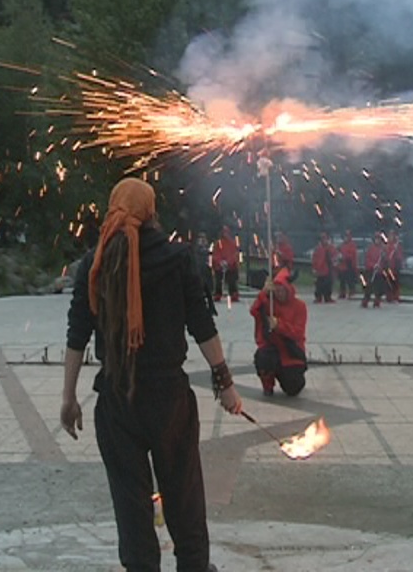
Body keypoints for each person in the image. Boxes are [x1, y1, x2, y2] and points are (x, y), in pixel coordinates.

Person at [61, 178, 242, 572]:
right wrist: (224, 383)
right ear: (150, 212)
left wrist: (68, 397)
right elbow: (202, 324)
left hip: (116, 400)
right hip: (169, 401)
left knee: (131, 504)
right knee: (184, 496)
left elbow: (77, 333)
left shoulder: (95, 262)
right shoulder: (177, 258)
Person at [249, 267, 307, 397]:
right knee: (263, 358)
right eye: (277, 290)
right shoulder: (269, 303)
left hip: (290, 352)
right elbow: (254, 311)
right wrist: (263, 293)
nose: (279, 293)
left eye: (282, 290)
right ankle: (268, 384)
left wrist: (279, 325)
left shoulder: (300, 306)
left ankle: (289, 377)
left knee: (293, 387)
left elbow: (297, 332)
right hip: (271, 348)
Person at [211, 225, 240, 302]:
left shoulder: (232, 243)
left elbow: (234, 255)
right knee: (218, 280)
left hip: (230, 266)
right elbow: (216, 254)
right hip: (220, 266)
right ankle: (218, 293)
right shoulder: (218, 243)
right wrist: (220, 262)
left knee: (232, 279)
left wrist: (228, 262)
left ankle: (233, 293)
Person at [361, 232, 387, 308]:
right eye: (376, 239)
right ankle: (365, 301)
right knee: (368, 287)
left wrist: (383, 258)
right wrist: (373, 265)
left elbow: (385, 261)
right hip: (371, 271)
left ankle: (377, 301)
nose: (377, 240)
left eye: (379, 239)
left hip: (379, 272)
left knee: (379, 288)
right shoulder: (371, 249)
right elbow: (367, 260)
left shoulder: (383, 249)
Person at [310, 231, 337, 303]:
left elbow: (334, 257)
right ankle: (318, 297)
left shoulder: (331, 248)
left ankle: (327, 297)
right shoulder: (318, 249)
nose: (323, 240)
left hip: (328, 270)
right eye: (322, 238)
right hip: (320, 270)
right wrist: (314, 268)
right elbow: (314, 258)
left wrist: (334, 264)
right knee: (319, 285)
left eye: (324, 238)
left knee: (328, 284)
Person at [337, 230, 359, 299]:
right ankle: (342, 292)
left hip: (349, 265)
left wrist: (344, 257)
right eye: (345, 236)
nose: (346, 238)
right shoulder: (342, 245)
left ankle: (351, 292)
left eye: (347, 236)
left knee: (350, 280)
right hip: (342, 266)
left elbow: (352, 255)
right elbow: (339, 252)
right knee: (342, 281)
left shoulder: (352, 245)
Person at [385, 230, 404, 303]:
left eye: (392, 235)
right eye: (390, 235)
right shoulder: (387, 245)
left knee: (395, 283)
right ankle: (389, 296)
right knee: (388, 283)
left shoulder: (397, 246)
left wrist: (396, 252)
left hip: (395, 268)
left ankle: (396, 297)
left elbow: (399, 257)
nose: (390, 237)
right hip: (389, 267)